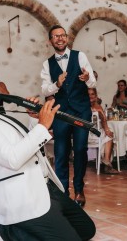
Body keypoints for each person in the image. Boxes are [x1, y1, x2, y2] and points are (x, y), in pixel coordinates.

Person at [0, 70, 96, 241]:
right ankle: (11, 231)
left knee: (86, 229)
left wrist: (36, 118)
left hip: (44, 187)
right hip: (22, 199)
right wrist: (43, 126)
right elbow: (13, 159)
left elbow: (25, 143)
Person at [40, 25, 96, 206]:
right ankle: (63, 191)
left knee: (80, 150)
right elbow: (44, 89)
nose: (60, 38)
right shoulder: (46, 64)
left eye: (62, 35)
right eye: (55, 36)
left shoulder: (80, 56)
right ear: (51, 41)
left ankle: (79, 189)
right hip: (61, 113)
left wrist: (87, 77)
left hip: (81, 111)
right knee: (61, 152)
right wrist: (57, 84)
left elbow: (92, 81)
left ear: (67, 38)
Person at [88, 88, 118, 174]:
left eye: (92, 94)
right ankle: (106, 161)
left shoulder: (97, 106)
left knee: (108, 134)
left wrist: (107, 130)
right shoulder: (91, 107)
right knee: (109, 135)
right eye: (88, 94)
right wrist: (107, 130)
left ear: (96, 96)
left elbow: (103, 121)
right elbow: (104, 120)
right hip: (87, 134)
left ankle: (106, 161)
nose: (90, 96)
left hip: (91, 134)